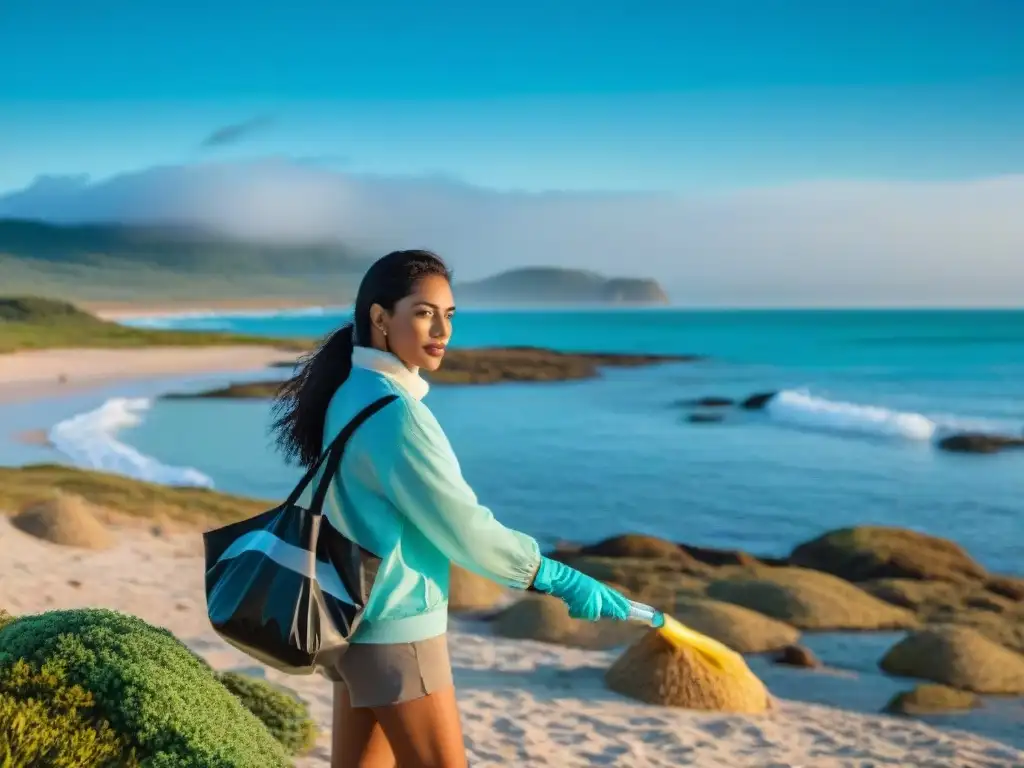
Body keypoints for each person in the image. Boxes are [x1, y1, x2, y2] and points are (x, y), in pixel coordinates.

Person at [271, 250, 631, 768]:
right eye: (423, 312)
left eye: (450, 315)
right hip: (396, 626)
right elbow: (464, 528)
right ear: (379, 318)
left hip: (351, 621)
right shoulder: (398, 416)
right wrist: (556, 577)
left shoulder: (353, 390)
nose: (442, 329)